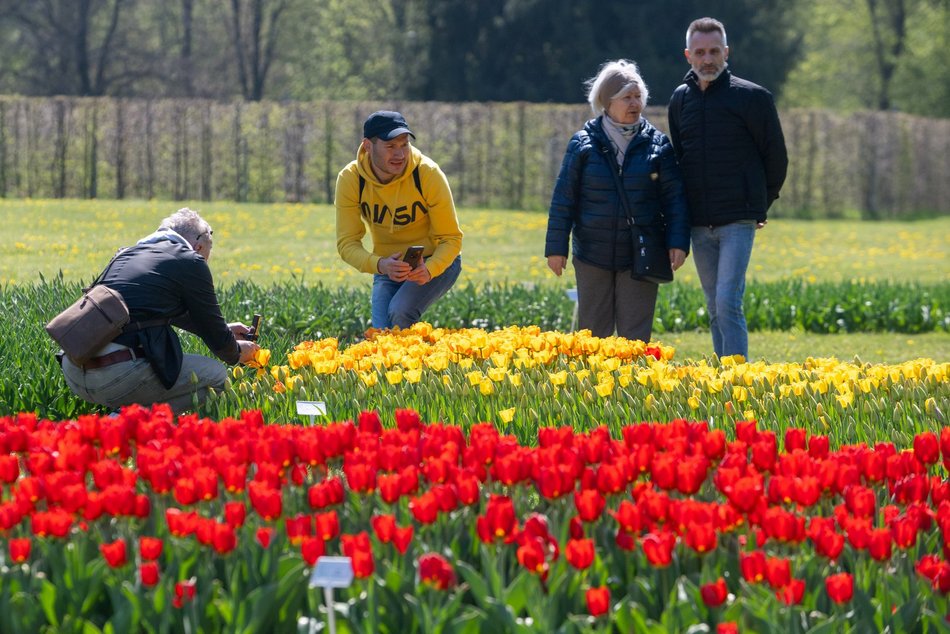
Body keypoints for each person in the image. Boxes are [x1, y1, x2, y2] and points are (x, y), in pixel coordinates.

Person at [668, 17, 788, 360]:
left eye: (714, 51)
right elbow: (681, 157)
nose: (707, 59)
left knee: (727, 301)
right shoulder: (680, 100)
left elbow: (776, 158)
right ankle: (723, 376)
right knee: (713, 305)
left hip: (738, 219)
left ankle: (738, 378)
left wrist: (761, 205)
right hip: (698, 222)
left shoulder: (753, 98)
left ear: (726, 52)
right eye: (700, 52)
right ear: (688, 55)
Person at [60, 208, 260, 414]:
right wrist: (238, 353)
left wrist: (225, 329)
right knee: (217, 377)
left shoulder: (125, 254)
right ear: (198, 247)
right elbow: (221, 343)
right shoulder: (191, 261)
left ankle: (120, 418)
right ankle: (125, 420)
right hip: (114, 375)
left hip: (74, 368)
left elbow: (150, 311)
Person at [545, 60, 690, 342]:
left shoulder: (658, 145)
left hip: (641, 254)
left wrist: (678, 242)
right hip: (592, 254)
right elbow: (563, 200)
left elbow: (675, 199)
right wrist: (556, 248)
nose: (635, 103)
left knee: (634, 339)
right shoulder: (583, 144)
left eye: (638, 96)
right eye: (627, 97)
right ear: (606, 102)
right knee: (593, 337)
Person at [335, 110, 463, 330]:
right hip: (388, 268)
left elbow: (451, 238)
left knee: (401, 312)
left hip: (436, 261)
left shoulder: (427, 173)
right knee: (381, 334)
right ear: (368, 146)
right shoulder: (351, 179)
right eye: (390, 146)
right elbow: (347, 243)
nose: (400, 154)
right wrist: (381, 265)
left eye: (404, 144)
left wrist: (430, 269)